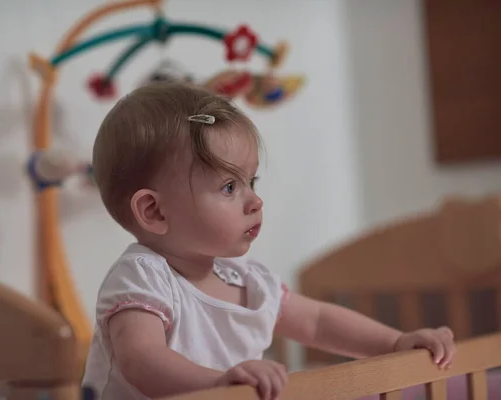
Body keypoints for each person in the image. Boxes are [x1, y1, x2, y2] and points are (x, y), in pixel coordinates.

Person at [81, 82, 456, 400]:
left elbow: (319, 322)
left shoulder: (247, 281)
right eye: (229, 186)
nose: (254, 200)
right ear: (155, 212)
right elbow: (141, 359)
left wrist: (394, 343)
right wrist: (216, 384)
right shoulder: (142, 277)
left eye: (251, 182)